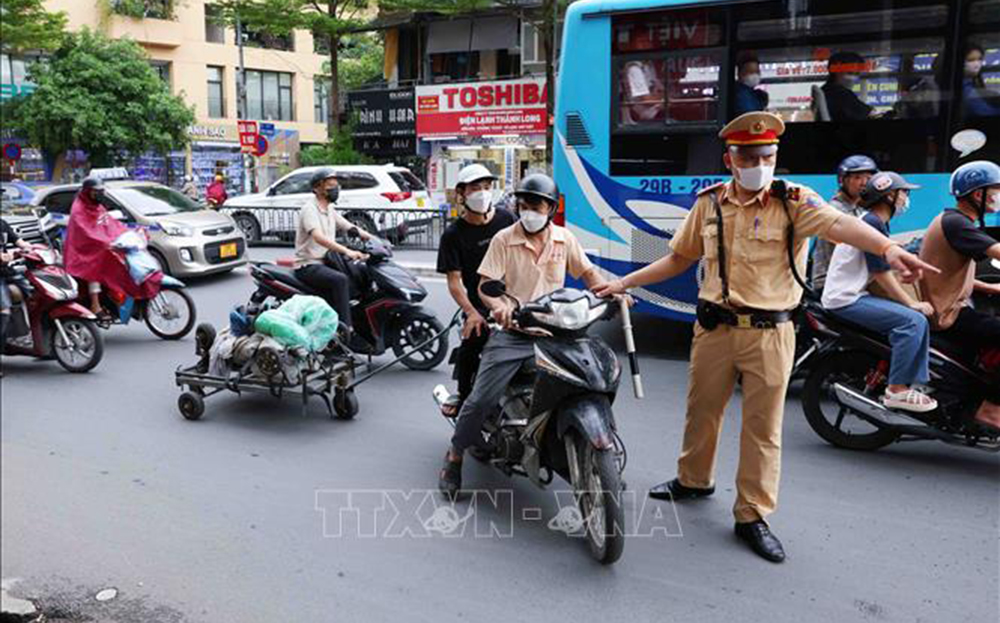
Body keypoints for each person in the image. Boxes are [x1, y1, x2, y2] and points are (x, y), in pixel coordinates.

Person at [595, 112, 935, 563]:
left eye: (767, 156)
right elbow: (677, 259)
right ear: (729, 159)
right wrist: (624, 282)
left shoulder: (795, 200)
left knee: (763, 429)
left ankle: (752, 514)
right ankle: (693, 480)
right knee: (702, 411)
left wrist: (888, 248)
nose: (760, 163)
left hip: (771, 333)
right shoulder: (709, 204)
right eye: (749, 156)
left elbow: (840, 226)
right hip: (715, 328)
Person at [438, 173, 611, 498]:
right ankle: (454, 456)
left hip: (557, 334)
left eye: (536, 205)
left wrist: (612, 291)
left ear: (551, 208)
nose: (529, 211)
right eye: (524, 205)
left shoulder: (564, 239)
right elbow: (484, 284)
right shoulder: (503, 239)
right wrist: (499, 305)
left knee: (587, 383)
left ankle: (598, 460)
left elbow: (587, 273)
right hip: (514, 334)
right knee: (480, 400)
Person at [822, 172, 937, 412]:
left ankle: (913, 381)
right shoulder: (872, 223)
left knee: (919, 321)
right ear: (889, 196)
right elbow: (881, 271)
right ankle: (896, 389)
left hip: (854, 295)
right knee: (912, 322)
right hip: (845, 299)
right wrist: (910, 302)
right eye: (904, 192)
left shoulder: (875, 222)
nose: (906, 198)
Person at [918, 160, 1000, 430]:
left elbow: (947, 272)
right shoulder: (957, 224)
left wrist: (989, 288)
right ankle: (990, 408)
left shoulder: (955, 220)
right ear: (979, 194)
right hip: (947, 313)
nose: (998, 197)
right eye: (996, 190)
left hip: (951, 304)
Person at [436, 164, 516, 417]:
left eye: (486, 187)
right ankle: (463, 394)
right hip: (479, 306)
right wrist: (471, 312)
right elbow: (454, 282)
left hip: (514, 299)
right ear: (461, 193)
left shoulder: (506, 219)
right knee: (472, 341)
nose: (482, 193)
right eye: (475, 188)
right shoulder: (453, 234)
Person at [294, 167, 376, 340]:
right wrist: (347, 251)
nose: (335, 188)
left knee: (361, 274)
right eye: (330, 185)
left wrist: (374, 239)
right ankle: (346, 330)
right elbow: (318, 237)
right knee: (341, 280)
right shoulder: (310, 209)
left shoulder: (329, 209)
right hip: (309, 264)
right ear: (318, 188)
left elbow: (348, 226)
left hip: (328, 262)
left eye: (336, 185)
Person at [63, 177, 161, 317]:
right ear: (87, 192)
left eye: (101, 191)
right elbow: (86, 232)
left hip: (100, 245)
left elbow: (110, 224)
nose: (99, 194)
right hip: (83, 251)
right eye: (96, 192)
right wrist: (105, 242)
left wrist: (127, 233)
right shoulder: (79, 209)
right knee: (93, 270)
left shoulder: (97, 206)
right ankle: (95, 305)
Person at [811, 155, 879, 292]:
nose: (864, 183)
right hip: (830, 284)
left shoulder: (858, 208)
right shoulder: (836, 210)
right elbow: (862, 246)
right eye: (858, 178)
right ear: (842, 180)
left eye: (869, 178)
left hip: (849, 280)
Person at [1, 216, 33, 371]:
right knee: (3, 309)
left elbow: (18, 241)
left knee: (35, 294)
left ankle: (29, 336)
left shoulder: (2, 224)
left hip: (6, 271)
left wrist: (31, 248)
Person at [822, 51, 875, 121]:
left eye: (857, 73)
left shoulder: (826, 90)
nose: (855, 78)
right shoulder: (841, 94)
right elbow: (871, 114)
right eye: (851, 73)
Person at [961, 43, 1000, 119]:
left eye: (980, 59)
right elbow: (985, 113)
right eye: (970, 60)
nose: (977, 64)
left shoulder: (973, 83)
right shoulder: (965, 88)